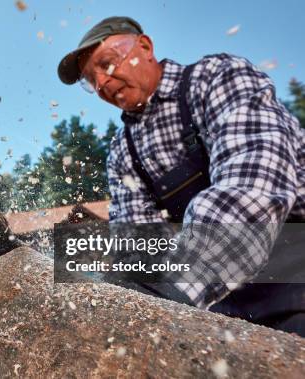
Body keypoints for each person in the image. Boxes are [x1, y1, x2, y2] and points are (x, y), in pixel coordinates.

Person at [57, 16, 305, 335]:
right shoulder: (124, 151)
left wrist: (172, 290)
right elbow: (137, 241)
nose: (102, 83)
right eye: (92, 81)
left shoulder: (216, 78)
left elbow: (252, 183)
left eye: (106, 64)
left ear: (144, 47)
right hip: (220, 312)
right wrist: (128, 295)